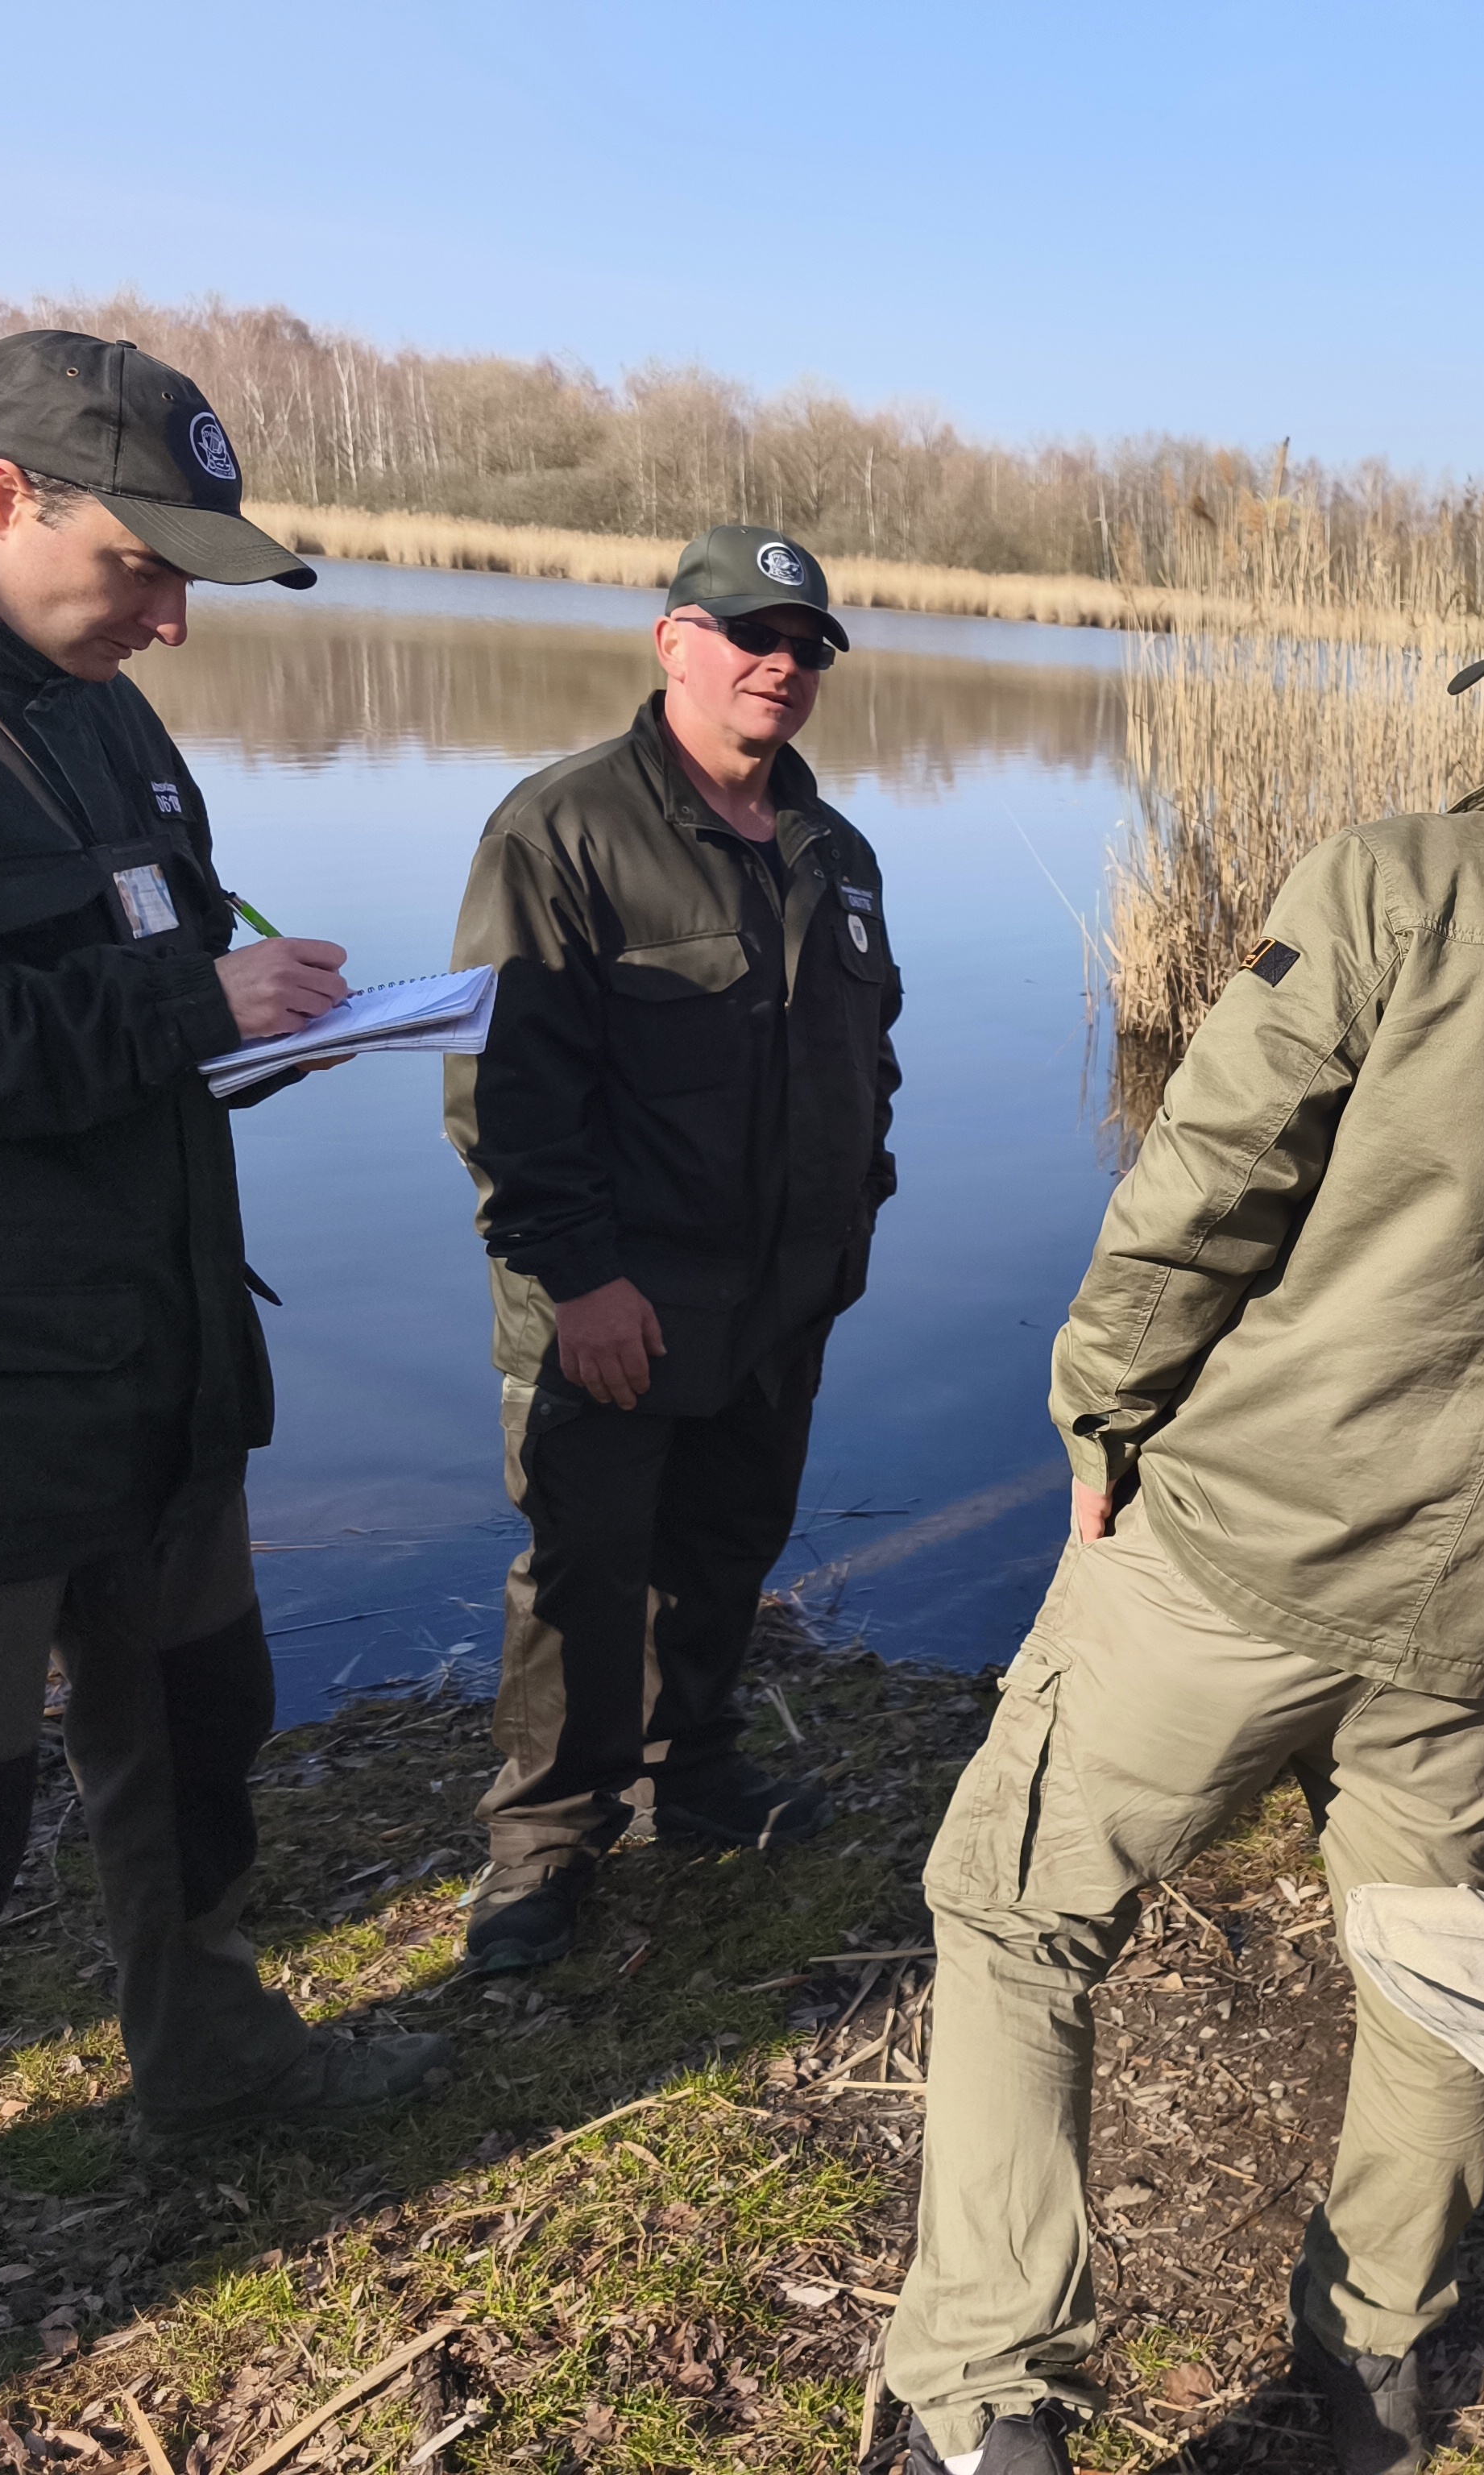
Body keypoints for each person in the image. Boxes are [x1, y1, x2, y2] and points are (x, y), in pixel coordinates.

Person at [885, 545, 1484, 2475]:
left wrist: (1104, 1411)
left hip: (1244, 1544)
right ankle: (1378, 2363)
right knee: (1434, 1962)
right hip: (1480, 1606)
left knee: (1014, 1906)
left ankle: (985, 2398)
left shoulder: (1400, 884)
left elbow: (1204, 1180)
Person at [0, 329, 453, 2137]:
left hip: (164, 1366)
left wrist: (271, 1027)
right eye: (142, 565)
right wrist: (177, 1012)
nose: (171, 620)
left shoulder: (116, 718)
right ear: (1, 497)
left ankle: (217, 2064)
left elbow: (159, 997)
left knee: (202, 1735)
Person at [443, 527, 896, 1974]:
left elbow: (865, 1058)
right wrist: (579, 1279)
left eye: (807, 645)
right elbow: (505, 1088)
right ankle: (543, 1844)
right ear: (673, 641)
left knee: (723, 1550)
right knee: (585, 1574)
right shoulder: (563, 829)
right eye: (753, 633)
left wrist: (850, 1224)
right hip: (619, 1297)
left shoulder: (835, 850)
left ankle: (690, 1772)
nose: (782, 664)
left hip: (779, 1298)